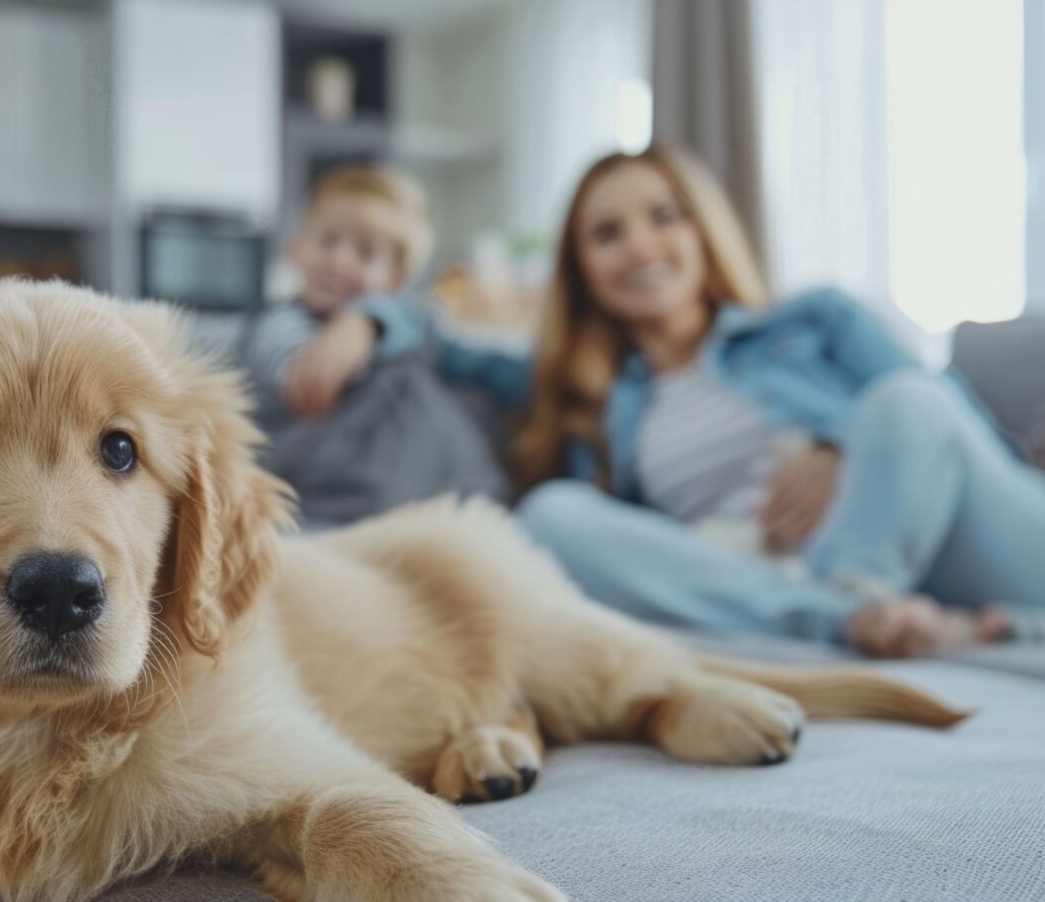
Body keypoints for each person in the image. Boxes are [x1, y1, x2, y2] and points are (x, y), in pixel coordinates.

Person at [294, 144, 1045, 657]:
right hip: (769, 570)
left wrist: (837, 443)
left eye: (664, 216)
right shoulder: (586, 390)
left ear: (702, 227)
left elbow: (940, 411)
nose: (642, 247)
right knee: (553, 515)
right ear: (582, 267)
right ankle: (851, 618)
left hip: (972, 534)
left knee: (902, 400)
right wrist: (362, 319)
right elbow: (438, 335)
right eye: (607, 233)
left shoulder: (813, 318)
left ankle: (856, 595)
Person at [242, 164, 507, 527]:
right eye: (327, 240)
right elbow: (307, 376)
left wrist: (376, 320)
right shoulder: (281, 325)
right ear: (298, 250)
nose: (339, 259)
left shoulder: (414, 321)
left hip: (436, 496)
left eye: (365, 253)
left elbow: (476, 360)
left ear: (396, 280)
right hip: (327, 500)